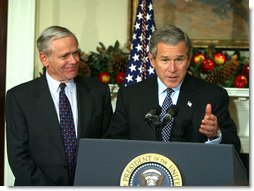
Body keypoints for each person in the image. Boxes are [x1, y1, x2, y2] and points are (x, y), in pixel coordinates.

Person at [106, 25, 240, 153]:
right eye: (165, 60)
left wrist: (215, 134)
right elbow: (114, 143)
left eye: (179, 60)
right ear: (152, 60)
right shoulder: (130, 96)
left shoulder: (212, 96)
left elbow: (234, 147)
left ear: (188, 60)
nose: (172, 69)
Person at [5, 26, 113, 186]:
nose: (74, 60)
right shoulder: (19, 97)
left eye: (75, 53)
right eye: (65, 56)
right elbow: (18, 156)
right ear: (44, 59)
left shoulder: (98, 92)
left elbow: (107, 145)